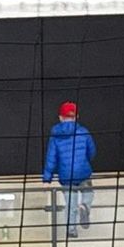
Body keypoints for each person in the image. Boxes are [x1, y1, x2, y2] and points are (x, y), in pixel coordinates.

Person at [41, 101, 96, 238]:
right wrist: (84, 161)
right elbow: (92, 151)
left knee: (70, 203)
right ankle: (85, 206)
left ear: (60, 117)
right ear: (76, 116)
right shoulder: (84, 132)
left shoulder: (55, 136)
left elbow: (51, 157)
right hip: (83, 172)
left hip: (66, 176)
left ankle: (71, 230)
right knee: (88, 192)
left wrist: (47, 178)